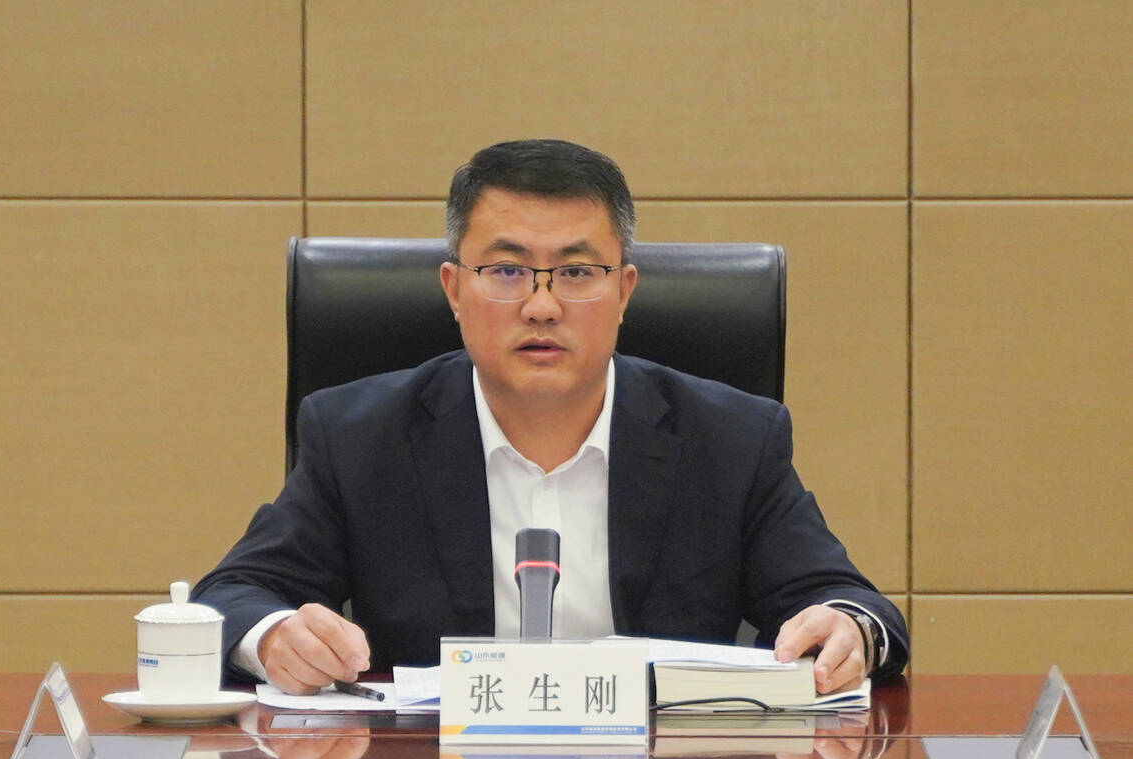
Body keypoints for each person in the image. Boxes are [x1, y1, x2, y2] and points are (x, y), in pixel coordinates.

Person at [192, 139, 909, 697]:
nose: (541, 305)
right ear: (454, 289)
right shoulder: (359, 436)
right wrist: (276, 635)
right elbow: (229, 597)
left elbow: (852, 604)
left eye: (576, 272)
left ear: (624, 291)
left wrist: (849, 630)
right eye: (507, 271)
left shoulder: (731, 441)